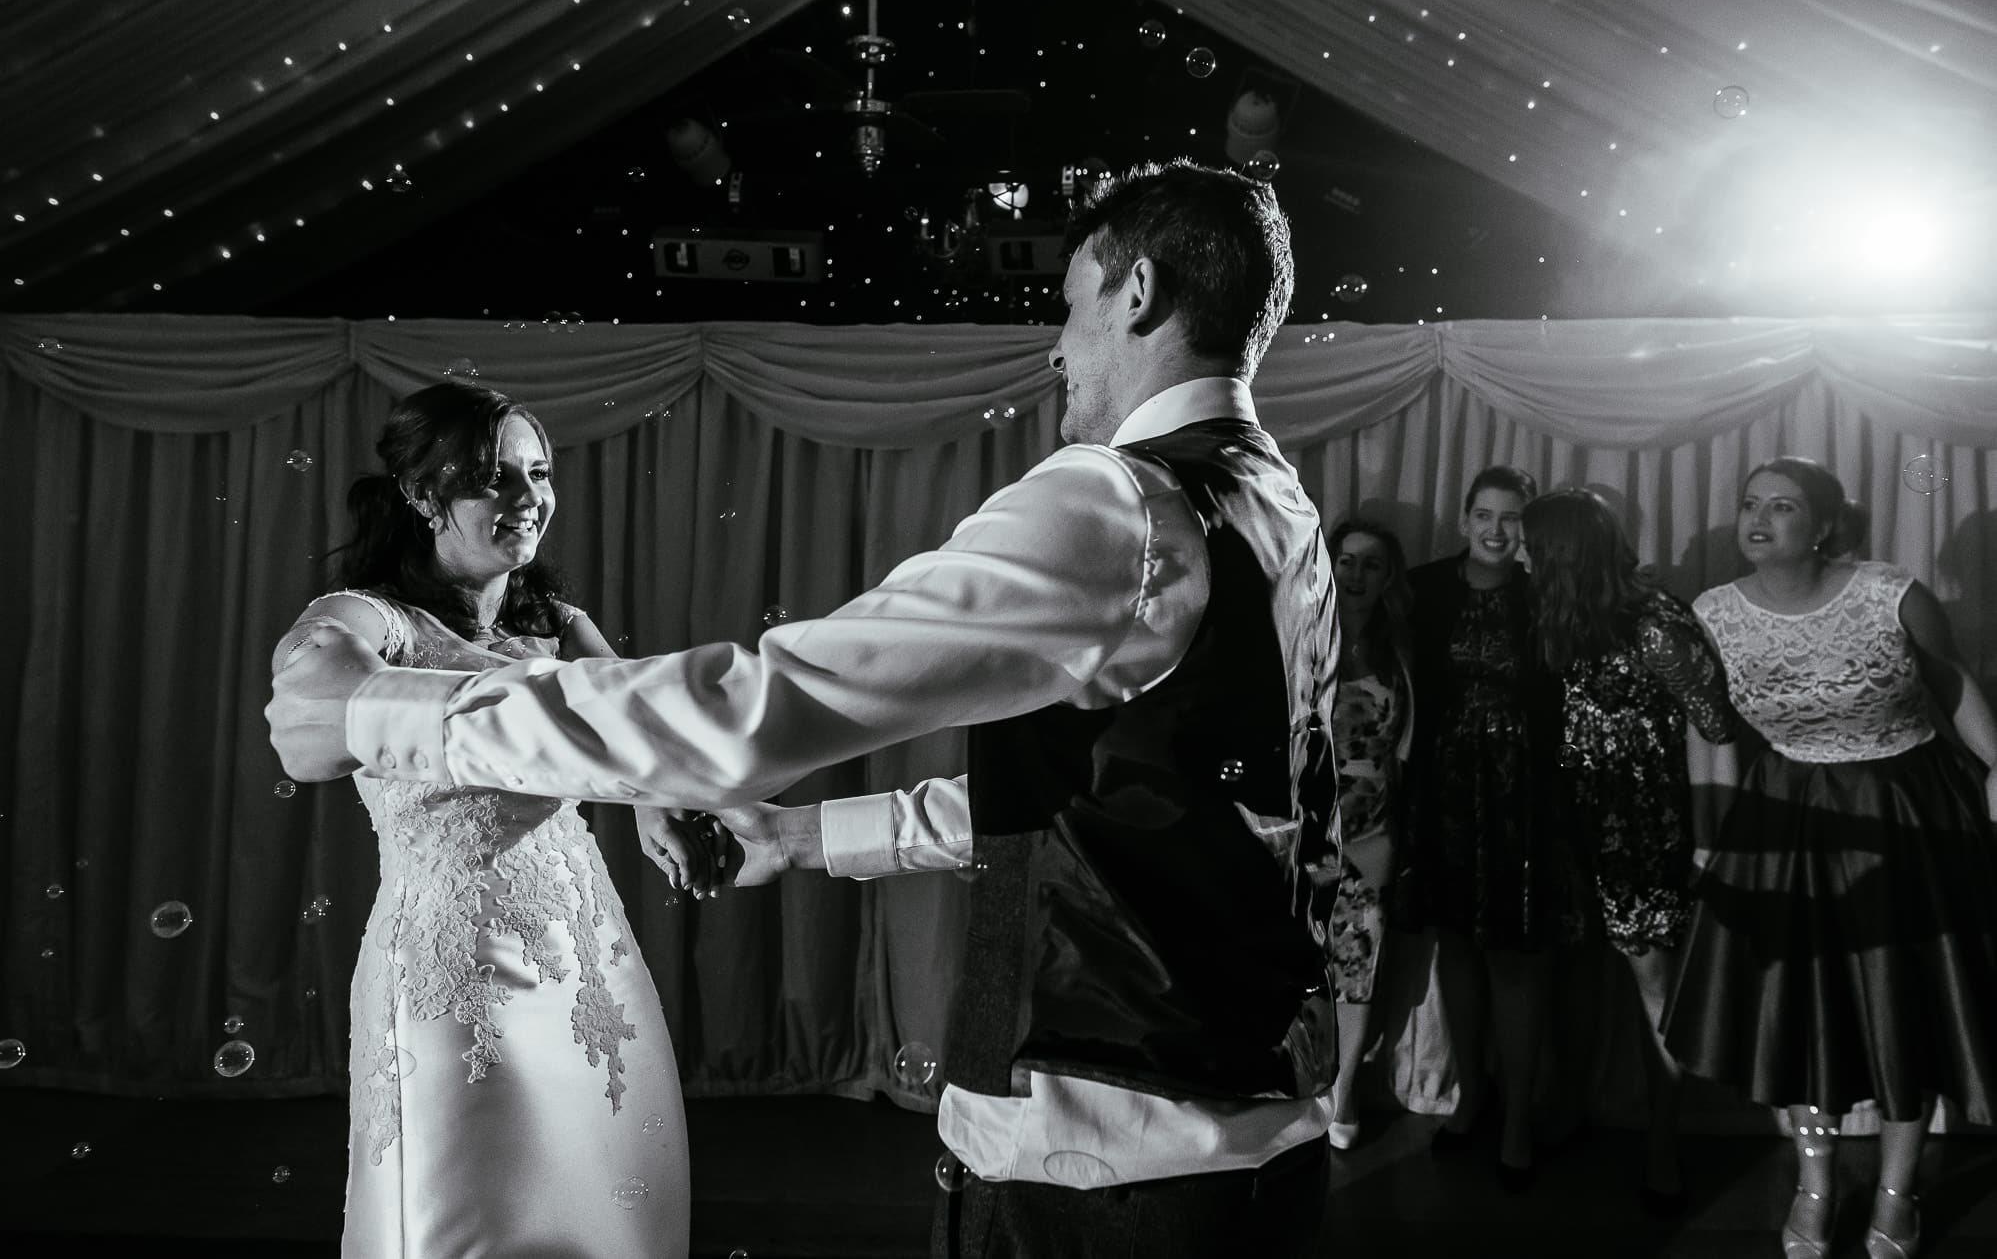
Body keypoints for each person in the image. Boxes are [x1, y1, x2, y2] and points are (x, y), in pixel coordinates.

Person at [268, 160, 1342, 1258]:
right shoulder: (1276, 508)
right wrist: (804, 837)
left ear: (1137, 292)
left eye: (1066, 307)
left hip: (1105, 1166)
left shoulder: (1115, 499)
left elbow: (757, 713)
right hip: (1246, 1139)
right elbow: (1118, 801)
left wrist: (386, 718)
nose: (1055, 347)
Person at [268, 382, 709, 1258]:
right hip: (454, 967)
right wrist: (511, 695)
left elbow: (638, 737)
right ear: (423, 495)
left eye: (536, 473)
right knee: (478, 1209)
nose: (526, 498)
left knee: (608, 1203)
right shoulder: (372, 616)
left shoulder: (555, 622)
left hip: (588, 958)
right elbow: (309, 697)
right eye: (490, 478)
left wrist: (664, 803)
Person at [1662, 457, 1997, 1259]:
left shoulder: (1891, 592)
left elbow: (1951, 684)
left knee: (1902, 1008)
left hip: (1903, 810)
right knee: (1796, 1014)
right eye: (1749, 504)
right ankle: (1814, 1183)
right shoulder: (1711, 613)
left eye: (1781, 507)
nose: (1758, 519)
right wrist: (1709, 841)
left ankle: (1895, 1190)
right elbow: (1708, 734)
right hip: (1784, 819)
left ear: (1821, 525)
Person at [1520, 488, 1740, 1209]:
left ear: (1559, 554)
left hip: (1641, 829)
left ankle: (1661, 1142)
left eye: (1531, 545)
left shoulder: (1654, 623)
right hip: (1565, 823)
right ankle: (1571, 1108)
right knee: (1571, 974)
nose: (1520, 555)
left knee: (1654, 994)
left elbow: (1714, 722)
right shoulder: (1558, 616)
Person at [1399, 464, 1562, 1189]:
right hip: (1440, 788)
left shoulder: (1544, 596)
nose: (1497, 530)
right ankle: (1468, 1094)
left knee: (1515, 956)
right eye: (1485, 515)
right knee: (1456, 947)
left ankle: (1519, 1115)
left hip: (1523, 795)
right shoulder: (1426, 587)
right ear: (1463, 519)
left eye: (1512, 517)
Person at [1319, 517, 1414, 1149]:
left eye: (1370, 564)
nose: (1355, 574)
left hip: (1371, 835)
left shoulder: (1399, 650)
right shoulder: (1304, 635)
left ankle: (1345, 1091)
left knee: (1358, 973)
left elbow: (1406, 753)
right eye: (1345, 560)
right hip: (1302, 834)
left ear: (1387, 579)